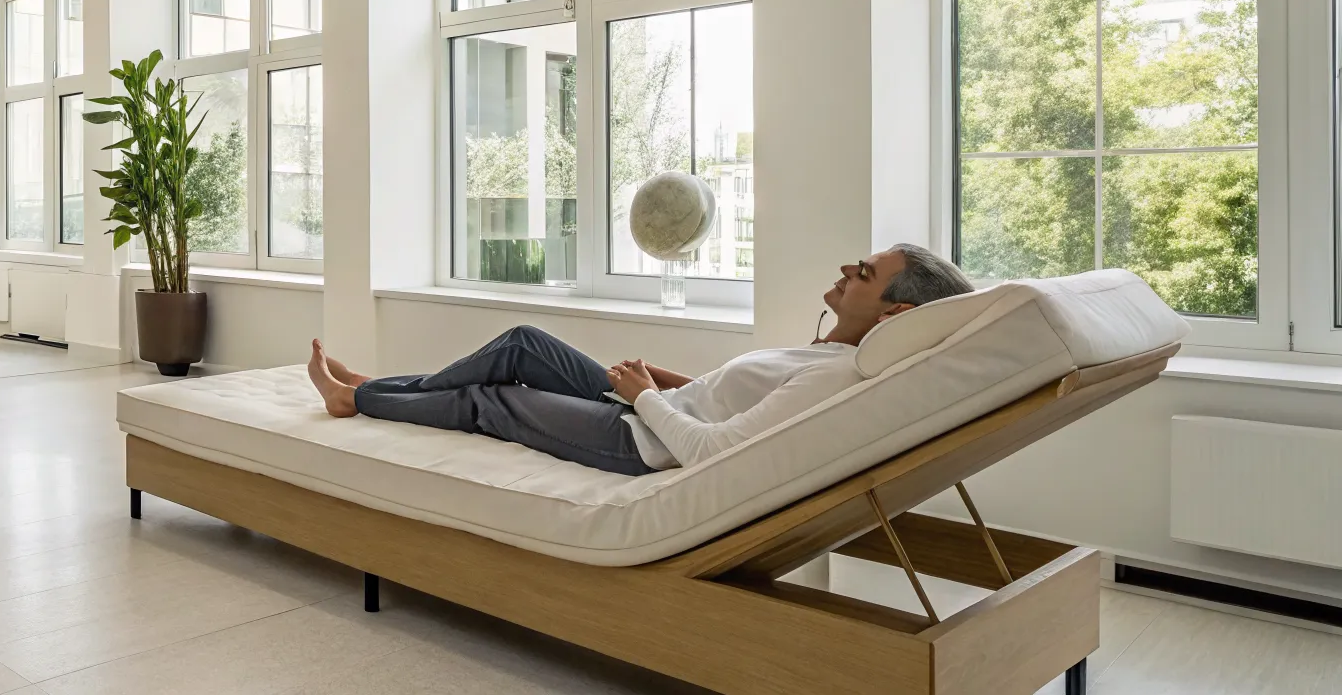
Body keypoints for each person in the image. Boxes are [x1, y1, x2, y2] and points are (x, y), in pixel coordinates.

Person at [305, 244, 975, 475]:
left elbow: (713, 452)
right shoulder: (825, 350)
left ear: (894, 314)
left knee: (490, 400)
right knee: (520, 344)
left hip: (642, 440)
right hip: (653, 405)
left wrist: (641, 397)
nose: (845, 269)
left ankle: (354, 397)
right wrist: (662, 382)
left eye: (863, 271)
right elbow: (723, 397)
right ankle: (381, 384)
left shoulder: (835, 378)